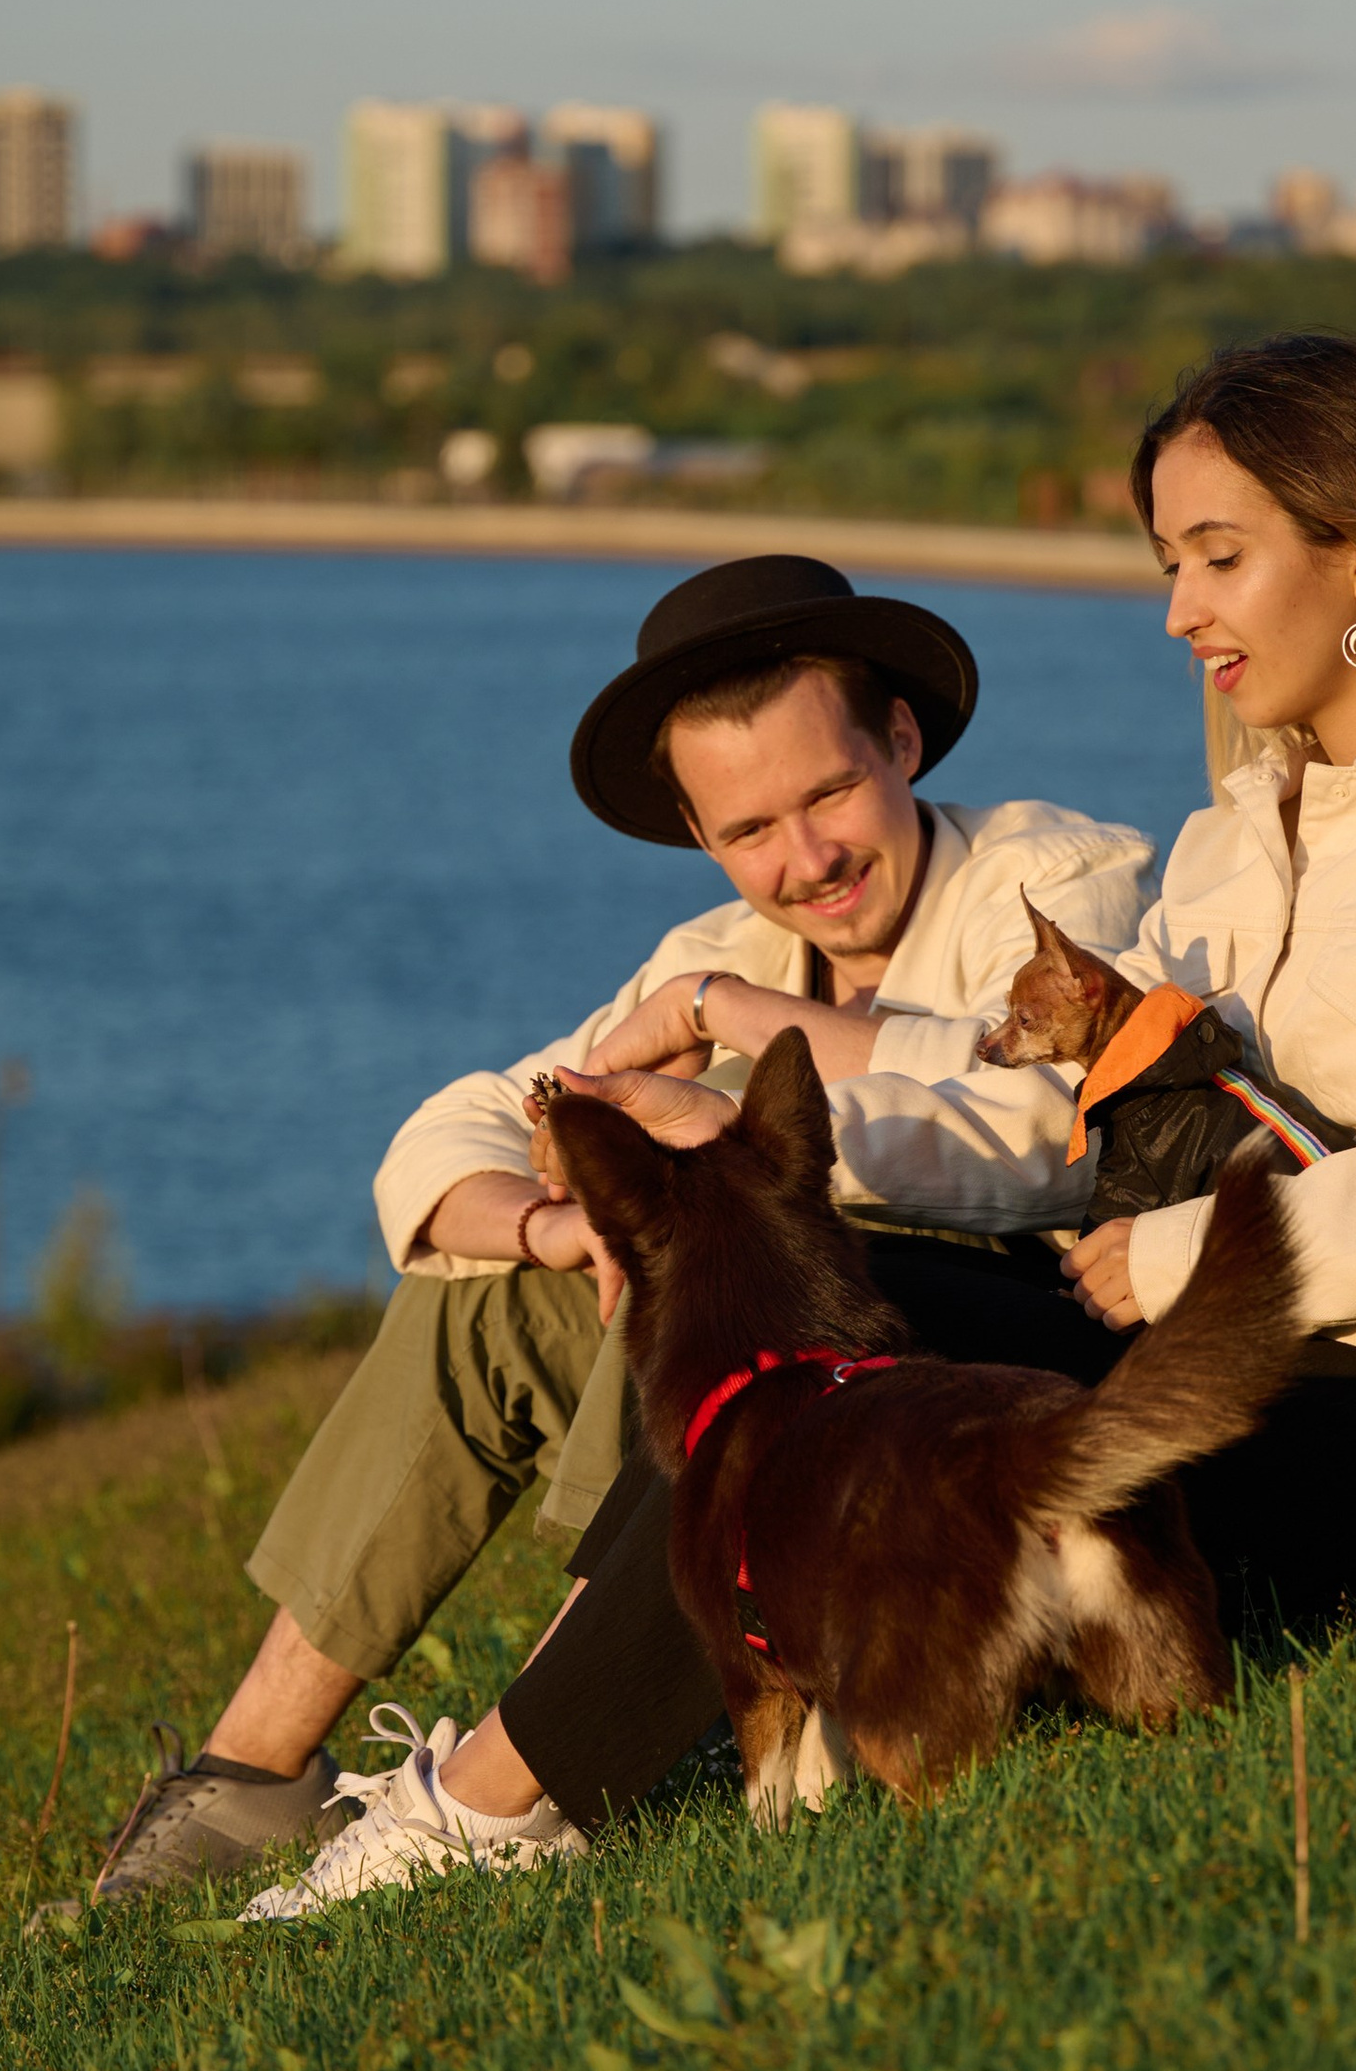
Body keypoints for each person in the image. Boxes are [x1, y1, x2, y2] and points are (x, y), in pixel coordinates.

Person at [242, 334, 1356, 1915]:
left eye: (1218, 559)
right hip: (1231, 1348)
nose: (1180, 612)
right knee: (785, 1319)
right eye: (1172, 563)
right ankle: (672, 1747)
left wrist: (1180, 1256)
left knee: (825, 1349)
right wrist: (761, 1153)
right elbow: (1051, 1108)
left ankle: (482, 1810)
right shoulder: (1244, 834)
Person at [86, 552, 1155, 1905]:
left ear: (901, 739)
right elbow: (452, 1129)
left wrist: (728, 1040)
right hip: (820, 1391)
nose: (807, 861)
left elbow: (1050, 1133)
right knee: (487, 1292)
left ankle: (519, 1773)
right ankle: (250, 1780)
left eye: (831, 793)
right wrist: (553, 1226)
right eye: (750, 830)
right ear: (703, 836)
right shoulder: (714, 945)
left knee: (720, 1296)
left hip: (981, 1367)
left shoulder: (1055, 877)